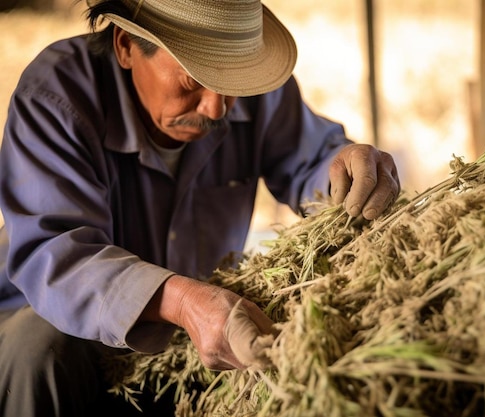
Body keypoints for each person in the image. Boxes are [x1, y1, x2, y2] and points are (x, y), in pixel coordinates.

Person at [0, 0, 400, 415]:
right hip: (48, 317)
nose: (216, 108)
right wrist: (186, 303)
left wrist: (349, 170)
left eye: (229, 85)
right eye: (193, 81)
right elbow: (58, 254)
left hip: (198, 329)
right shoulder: (57, 96)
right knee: (41, 348)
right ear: (126, 46)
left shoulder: (250, 88)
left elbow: (312, 161)